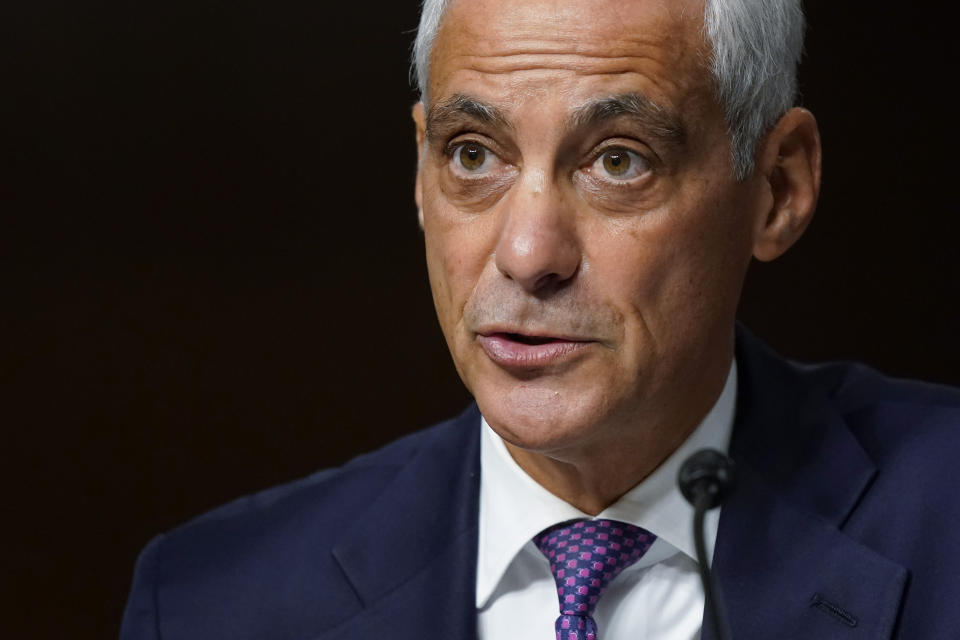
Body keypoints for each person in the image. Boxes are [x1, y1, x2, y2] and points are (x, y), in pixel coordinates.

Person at [120, 0, 960, 638]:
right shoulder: (208, 602)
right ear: (420, 172)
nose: (527, 254)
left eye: (617, 160)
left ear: (777, 188)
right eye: (473, 154)